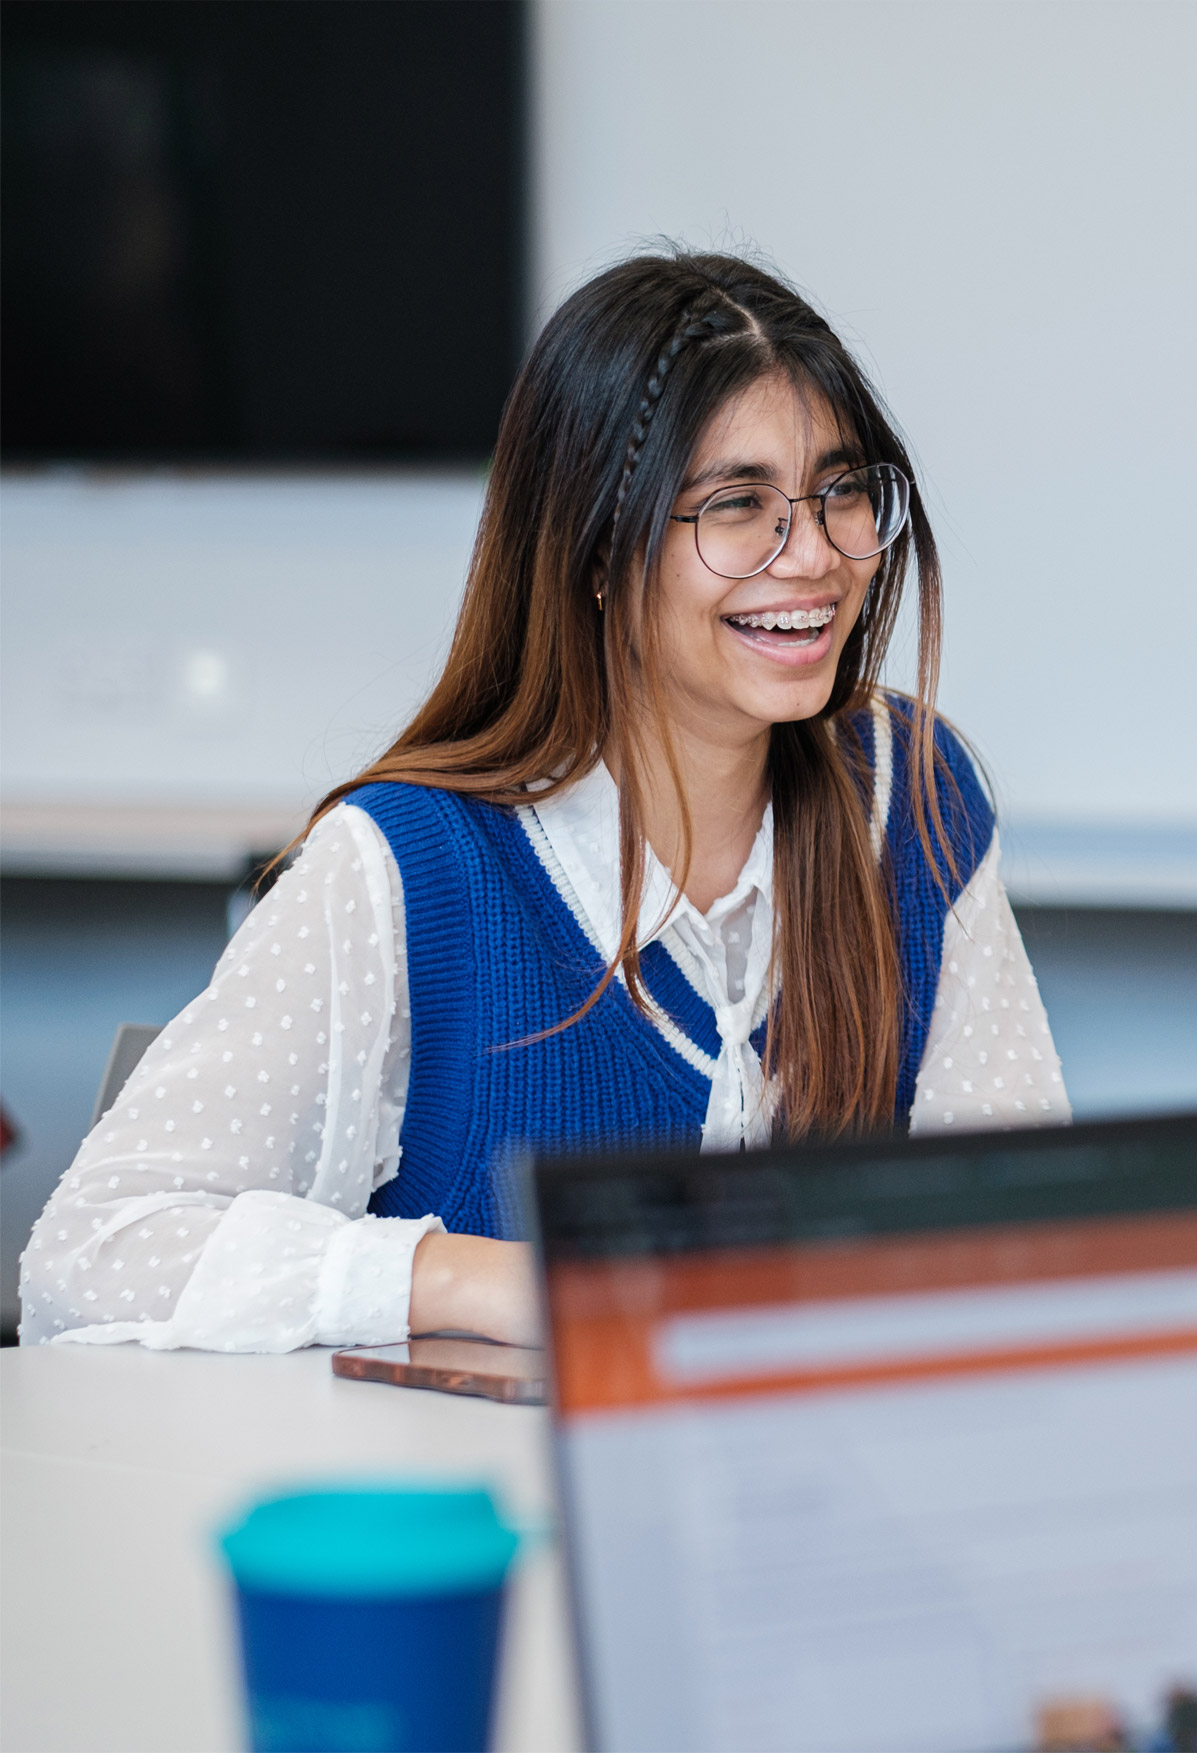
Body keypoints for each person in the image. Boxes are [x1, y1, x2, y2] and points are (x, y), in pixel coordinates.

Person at [19, 253, 1069, 1353]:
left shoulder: (911, 795)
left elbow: (1029, 1238)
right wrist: (480, 1281)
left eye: (840, 491)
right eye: (736, 505)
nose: (810, 556)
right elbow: (90, 1255)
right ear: (596, 548)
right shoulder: (406, 863)